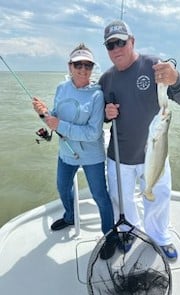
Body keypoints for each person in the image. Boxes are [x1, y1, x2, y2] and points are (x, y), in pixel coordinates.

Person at [99, 20, 180, 261]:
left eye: (121, 42)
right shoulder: (106, 78)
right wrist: (105, 113)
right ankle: (129, 230)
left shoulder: (154, 66)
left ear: (132, 41)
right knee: (121, 199)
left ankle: (160, 236)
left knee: (159, 196)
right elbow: (98, 115)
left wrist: (177, 79)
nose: (116, 48)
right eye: (110, 45)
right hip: (119, 155)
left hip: (156, 153)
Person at [32, 43, 115, 235]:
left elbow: (92, 133)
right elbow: (55, 116)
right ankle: (70, 216)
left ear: (93, 68)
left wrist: (58, 124)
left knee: (100, 196)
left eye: (88, 65)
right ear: (70, 66)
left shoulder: (97, 94)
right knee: (62, 187)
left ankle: (109, 234)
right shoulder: (61, 88)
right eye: (78, 65)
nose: (83, 69)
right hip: (66, 152)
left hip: (91, 156)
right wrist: (43, 113)